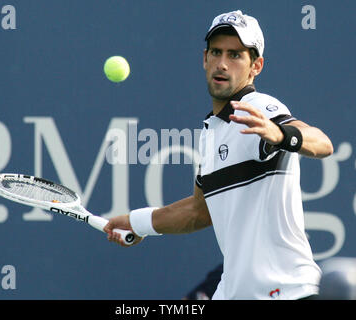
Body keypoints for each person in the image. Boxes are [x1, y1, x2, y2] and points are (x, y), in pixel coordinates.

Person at [104, 10, 334, 300]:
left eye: (236, 55)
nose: (222, 64)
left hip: (288, 292)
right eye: (216, 52)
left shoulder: (258, 107)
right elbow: (199, 211)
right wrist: (138, 222)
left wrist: (280, 135)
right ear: (205, 58)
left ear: (256, 66)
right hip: (235, 293)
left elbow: (323, 143)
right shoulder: (212, 131)